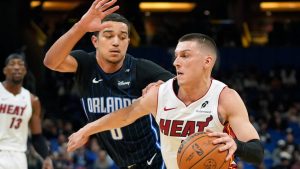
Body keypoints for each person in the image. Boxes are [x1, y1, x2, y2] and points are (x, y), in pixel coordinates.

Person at [67, 33, 265, 169]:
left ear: (207, 62)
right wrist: (87, 130)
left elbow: (257, 153)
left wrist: (237, 145)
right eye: (176, 56)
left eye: (185, 56)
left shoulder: (225, 98)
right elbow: (125, 116)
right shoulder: (160, 94)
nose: (176, 62)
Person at [43, 0, 174, 168]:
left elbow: (183, 87)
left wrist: (163, 86)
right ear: (95, 41)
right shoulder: (85, 64)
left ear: (128, 42)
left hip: (156, 161)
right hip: (121, 163)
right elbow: (51, 61)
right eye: (109, 35)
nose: (116, 42)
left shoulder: (140, 69)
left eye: (122, 37)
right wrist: (81, 26)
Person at [0, 53, 53, 169]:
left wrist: (46, 157)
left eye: (20, 64)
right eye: (12, 64)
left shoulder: (32, 100)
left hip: (19, 157)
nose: (17, 67)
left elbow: (37, 136)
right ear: (5, 70)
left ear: (25, 71)